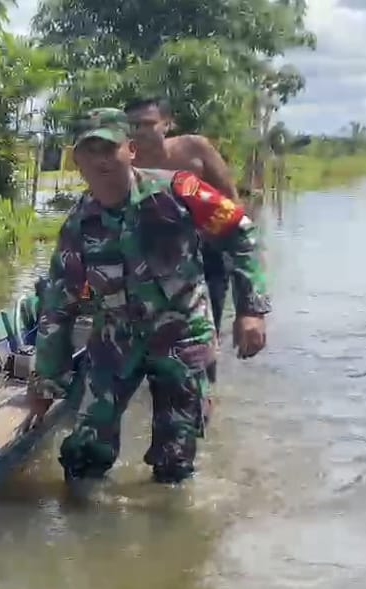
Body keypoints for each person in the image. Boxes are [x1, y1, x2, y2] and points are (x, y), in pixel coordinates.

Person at [26, 108, 270, 484]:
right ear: (77, 161)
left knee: (174, 463)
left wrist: (250, 310)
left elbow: (241, 233)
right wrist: (46, 384)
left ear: (131, 151)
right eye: (89, 150)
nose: (101, 160)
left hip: (182, 334)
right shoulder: (77, 225)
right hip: (116, 337)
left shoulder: (180, 191)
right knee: (83, 454)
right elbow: (59, 307)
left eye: (109, 148)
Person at [124, 97, 240, 383]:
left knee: (204, 324)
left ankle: (205, 390)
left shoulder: (193, 149)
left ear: (167, 123)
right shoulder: (127, 159)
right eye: (133, 125)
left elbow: (232, 200)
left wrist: (234, 253)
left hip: (208, 251)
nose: (140, 131)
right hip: (158, 256)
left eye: (148, 124)